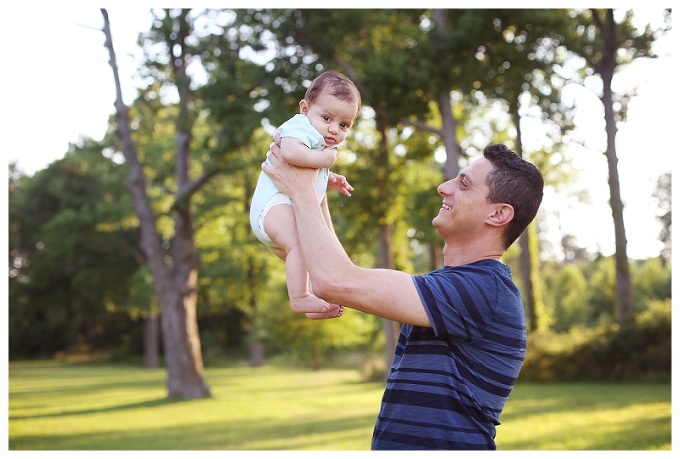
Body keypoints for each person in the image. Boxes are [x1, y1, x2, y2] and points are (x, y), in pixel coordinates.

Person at [262, 142, 544, 450]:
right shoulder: (450, 286)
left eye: (463, 184)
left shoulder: (485, 291)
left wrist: (301, 187)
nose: (443, 187)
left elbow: (335, 281)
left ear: (498, 214)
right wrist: (315, 192)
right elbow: (332, 275)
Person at [250, 71, 361, 320]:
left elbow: (306, 172)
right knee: (300, 245)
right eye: (326, 117)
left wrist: (329, 178)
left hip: (283, 210)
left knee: (308, 254)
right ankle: (299, 298)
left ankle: (314, 299)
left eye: (344, 125)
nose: (334, 129)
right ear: (305, 108)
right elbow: (290, 153)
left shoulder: (319, 139)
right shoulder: (299, 127)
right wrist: (325, 160)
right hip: (273, 206)